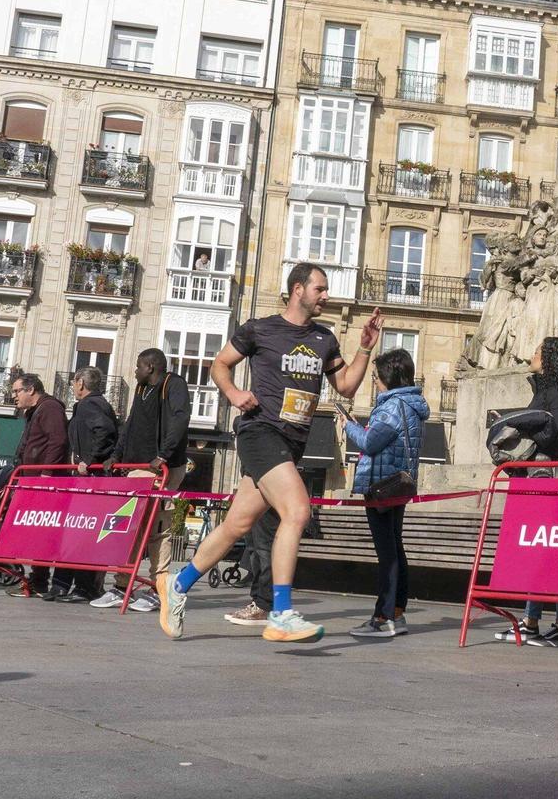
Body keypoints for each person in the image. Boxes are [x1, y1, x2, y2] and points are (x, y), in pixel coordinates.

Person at [159, 264, 381, 643]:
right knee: (297, 511)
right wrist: (233, 394)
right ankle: (280, 612)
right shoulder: (259, 329)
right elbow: (220, 364)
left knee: (237, 525)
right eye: (320, 289)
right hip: (260, 431)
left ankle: (177, 585)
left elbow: (344, 386)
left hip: (293, 441)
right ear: (298, 290)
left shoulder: (324, 339)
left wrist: (364, 348)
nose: (326, 296)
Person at [494, 336, 558, 647]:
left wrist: (528, 427)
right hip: (547, 480)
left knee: (540, 550)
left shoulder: (554, 394)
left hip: (546, 481)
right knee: (553, 552)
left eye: (536, 351)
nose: (531, 356)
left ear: (548, 358)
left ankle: (532, 622)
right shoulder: (552, 391)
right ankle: (555, 625)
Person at [343, 347, 428, 638]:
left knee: (387, 553)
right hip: (398, 484)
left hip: (381, 485)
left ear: (389, 377)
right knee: (395, 547)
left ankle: (384, 616)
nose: (376, 382)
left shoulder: (392, 406)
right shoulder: (412, 404)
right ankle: (397, 612)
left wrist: (348, 427)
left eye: (377, 377)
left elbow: (369, 442)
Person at [99, 350, 192, 613]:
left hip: (162, 468)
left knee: (157, 529)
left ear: (151, 367)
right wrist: (116, 455)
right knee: (129, 527)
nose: (135, 370)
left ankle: (157, 588)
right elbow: (130, 424)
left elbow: (181, 418)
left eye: (138, 365)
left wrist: (163, 454)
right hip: (137, 467)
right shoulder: (141, 388)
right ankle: (121, 585)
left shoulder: (173, 384)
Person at [10, 374, 70, 598]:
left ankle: (39, 581)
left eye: (17, 391)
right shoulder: (36, 411)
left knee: (44, 533)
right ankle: (36, 579)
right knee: (36, 533)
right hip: (31, 480)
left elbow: (58, 440)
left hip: (44, 483)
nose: (14, 396)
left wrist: (46, 473)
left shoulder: (50, 408)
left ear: (31, 389)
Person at [65, 367, 120, 601]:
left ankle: (86, 586)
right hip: (93, 475)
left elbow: (104, 431)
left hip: (92, 477)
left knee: (86, 531)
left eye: (74, 382)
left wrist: (89, 459)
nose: (72, 387)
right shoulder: (96, 404)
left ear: (80, 383)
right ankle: (90, 585)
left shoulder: (89, 405)